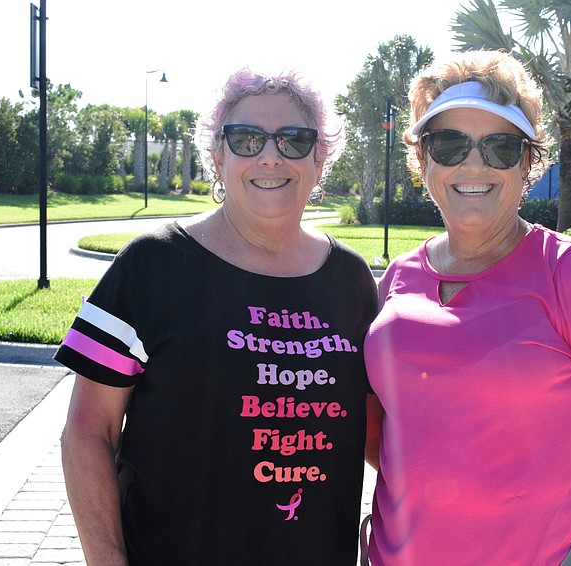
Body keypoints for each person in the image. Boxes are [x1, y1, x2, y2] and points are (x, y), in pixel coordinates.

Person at [363, 50, 571, 565]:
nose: (473, 164)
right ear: (422, 159)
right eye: (449, 144)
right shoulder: (399, 277)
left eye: (500, 147)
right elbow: (378, 427)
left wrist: (569, 500)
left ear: (527, 162)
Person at [57, 67, 378, 565]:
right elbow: (86, 432)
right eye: (247, 138)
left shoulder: (353, 281)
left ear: (319, 159)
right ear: (217, 156)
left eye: (294, 139)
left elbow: (381, 433)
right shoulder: (152, 265)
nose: (270, 155)